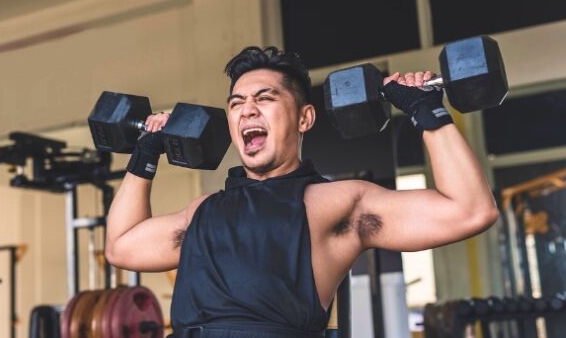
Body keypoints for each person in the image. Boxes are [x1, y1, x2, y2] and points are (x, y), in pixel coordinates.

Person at [104, 46, 499, 337]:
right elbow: (121, 246)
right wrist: (146, 152)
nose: (247, 110)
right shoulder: (203, 211)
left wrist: (424, 108)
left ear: (304, 118)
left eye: (265, 98)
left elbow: (470, 209)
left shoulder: (336, 203)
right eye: (237, 103)